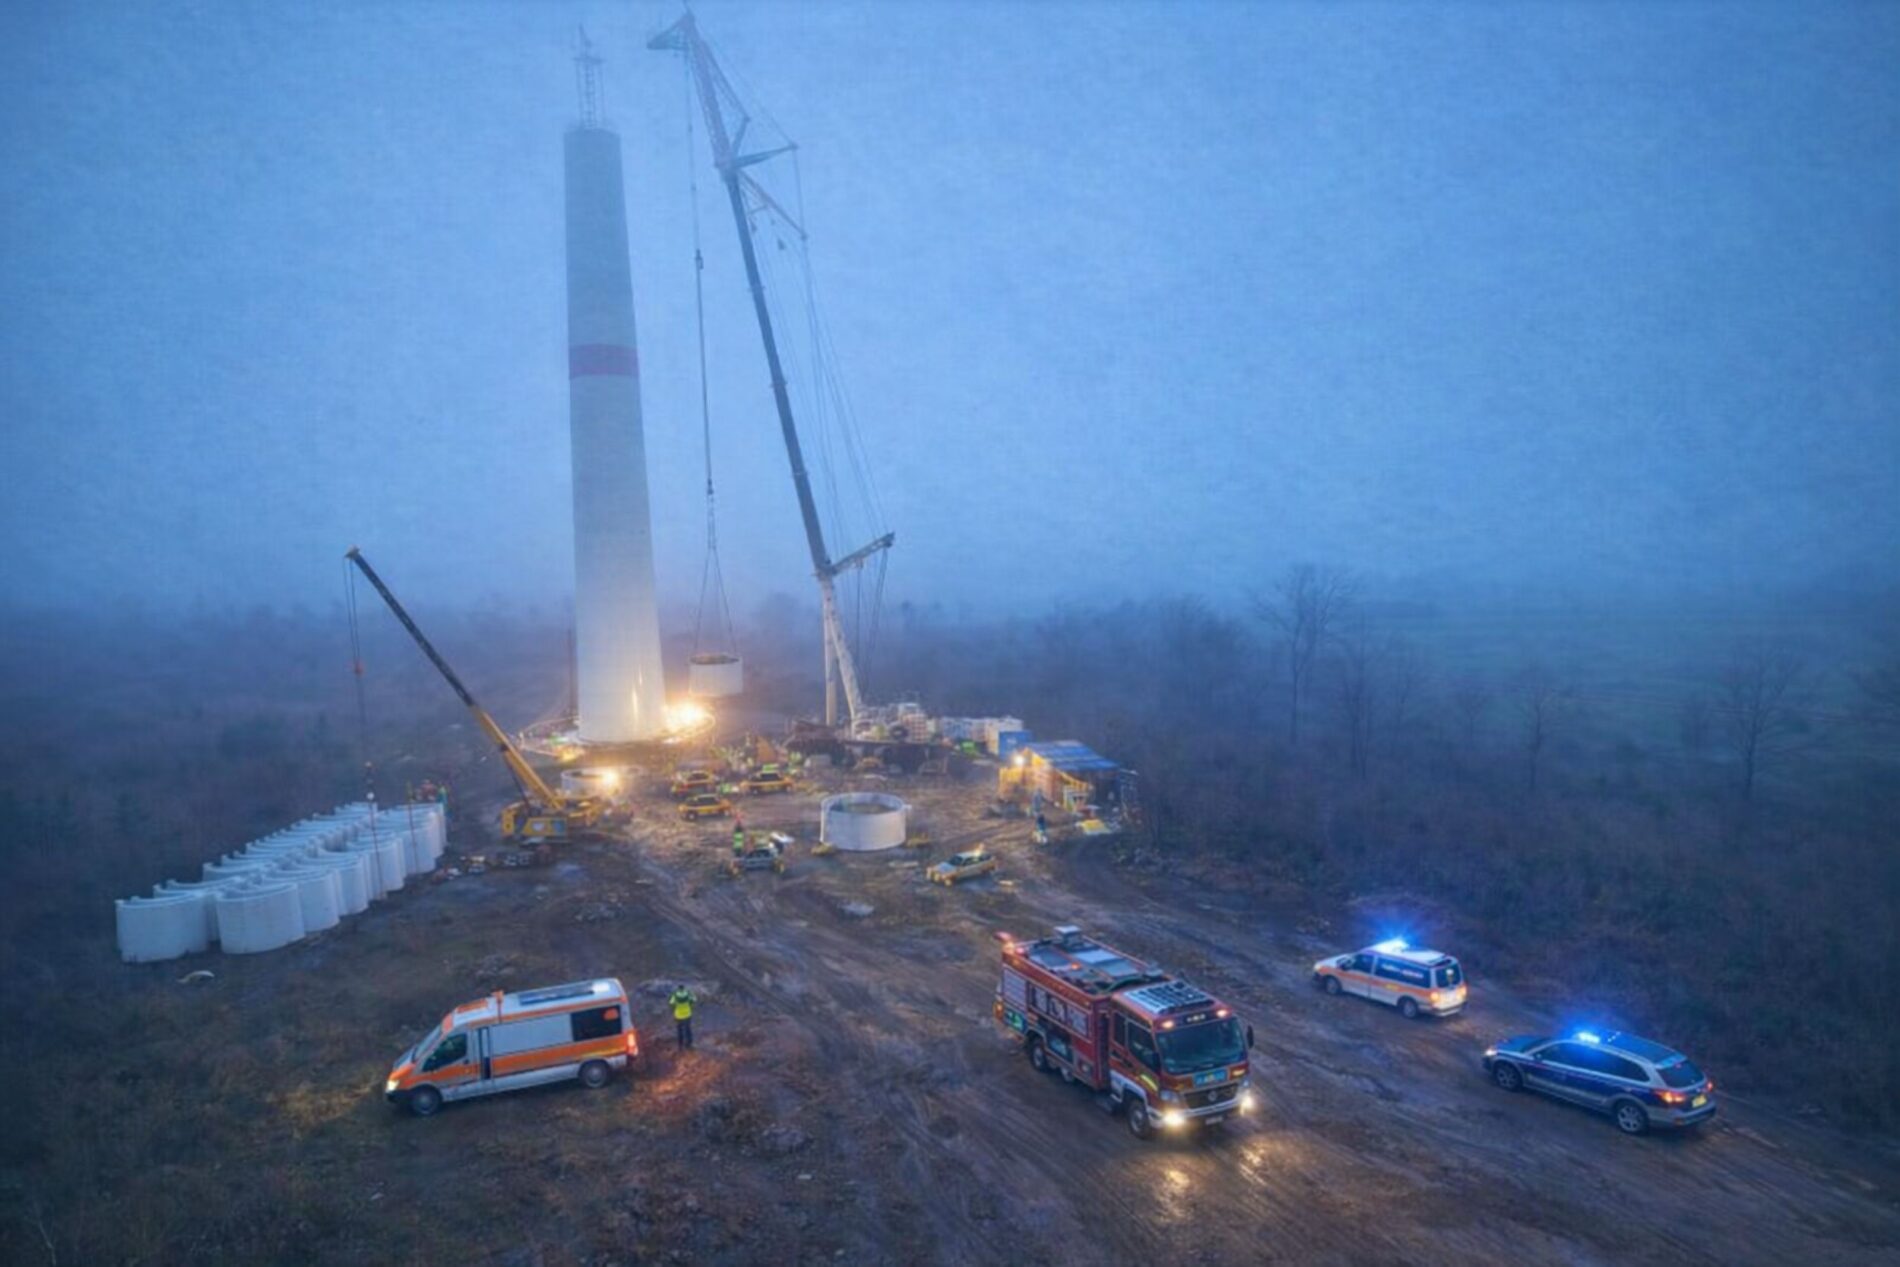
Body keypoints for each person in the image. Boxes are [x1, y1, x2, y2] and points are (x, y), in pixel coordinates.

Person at [670, 984, 697, 1050]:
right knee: (688, 1030)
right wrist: (690, 1004)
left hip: (678, 1015)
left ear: (678, 989)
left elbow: (671, 1003)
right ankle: (689, 1044)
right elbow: (694, 999)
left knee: (680, 1030)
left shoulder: (675, 995)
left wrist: (674, 1009)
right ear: (684, 988)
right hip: (687, 1014)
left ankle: (680, 1045)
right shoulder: (688, 993)